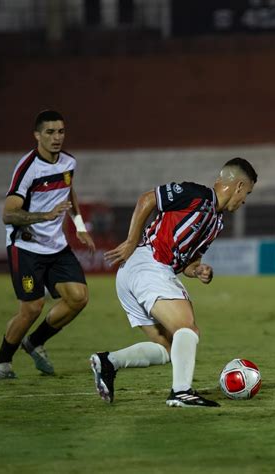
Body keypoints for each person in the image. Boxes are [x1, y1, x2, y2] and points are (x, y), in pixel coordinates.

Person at [90, 158, 257, 408]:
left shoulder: (217, 222)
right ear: (239, 186)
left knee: (168, 348)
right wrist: (130, 241)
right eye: (247, 194)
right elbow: (147, 199)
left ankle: (108, 362)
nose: (244, 201)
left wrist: (198, 270)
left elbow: (189, 263)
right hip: (149, 263)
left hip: (138, 274)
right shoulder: (196, 195)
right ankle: (181, 392)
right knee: (187, 329)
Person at [0, 110, 95, 379]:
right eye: (50, 132)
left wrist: (80, 226)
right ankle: (2, 362)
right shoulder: (28, 168)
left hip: (56, 247)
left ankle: (35, 342)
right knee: (32, 308)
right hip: (26, 248)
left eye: (60, 131)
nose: (56, 137)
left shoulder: (69, 163)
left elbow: (68, 191)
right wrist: (44, 216)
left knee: (78, 297)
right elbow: (8, 213)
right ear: (37, 135)